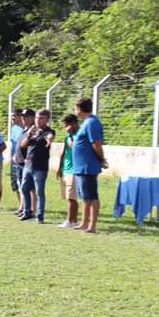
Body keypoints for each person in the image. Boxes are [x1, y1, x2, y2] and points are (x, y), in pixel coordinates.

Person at [72, 97, 108, 233]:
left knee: (92, 196)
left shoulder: (92, 123)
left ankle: (92, 226)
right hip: (81, 167)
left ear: (79, 109)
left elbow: (96, 144)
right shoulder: (87, 122)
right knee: (85, 197)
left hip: (87, 166)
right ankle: (84, 223)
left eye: (76, 108)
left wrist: (102, 159)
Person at [18, 109, 54, 223]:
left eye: (41, 118)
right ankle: (27, 212)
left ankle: (39, 216)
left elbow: (49, 136)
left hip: (40, 167)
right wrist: (29, 136)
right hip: (28, 165)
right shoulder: (33, 130)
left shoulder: (48, 131)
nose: (38, 120)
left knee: (39, 192)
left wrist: (49, 140)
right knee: (24, 189)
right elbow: (23, 145)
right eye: (37, 117)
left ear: (47, 120)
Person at [56, 114, 81, 229]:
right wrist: (59, 167)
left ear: (74, 124)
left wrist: (70, 137)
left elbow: (75, 148)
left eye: (67, 125)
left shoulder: (79, 135)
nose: (65, 128)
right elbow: (63, 152)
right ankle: (73, 220)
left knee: (72, 197)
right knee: (68, 197)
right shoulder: (67, 137)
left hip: (74, 170)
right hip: (65, 169)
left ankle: (70, 220)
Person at [8, 109, 26, 216]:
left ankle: (25, 207)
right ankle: (21, 206)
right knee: (15, 184)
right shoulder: (14, 128)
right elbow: (13, 144)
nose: (12, 118)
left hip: (22, 161)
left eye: (14, 116)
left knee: (23, 184)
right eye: (11, 116)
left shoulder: (26, 129)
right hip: (14, 160)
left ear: (20, 116)